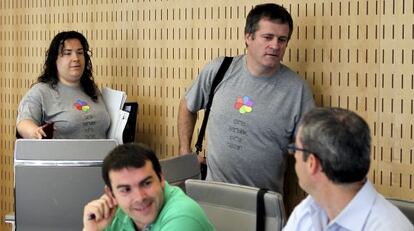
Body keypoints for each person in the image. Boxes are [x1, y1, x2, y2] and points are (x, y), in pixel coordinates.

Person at [178, 3, 314, 193]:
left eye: (282, 39)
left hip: (262, 203)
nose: (275, 45)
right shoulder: (219, 70)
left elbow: (309, 150)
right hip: (211, 195)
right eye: (268, 37)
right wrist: (186, 153)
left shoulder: (297, 90)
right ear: (248, 37)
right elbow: (187, 105)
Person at [284, 107, 413, 230]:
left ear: (312, 163)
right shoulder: (307, 210)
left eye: (295, 149)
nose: (294, 155)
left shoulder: (389, 227)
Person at [83, 143, 215, 231]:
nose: (139, 197)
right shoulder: (111, 213)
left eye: (146, 183)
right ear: (111, 194)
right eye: (126, 190)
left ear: (161, 178)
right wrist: (91, 229)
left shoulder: (183, 218)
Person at [16, 31, 110, 139]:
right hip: (60, 155)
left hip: (100, 155)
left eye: (80, 52)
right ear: (55, 59)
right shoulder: (41, 91)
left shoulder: (92, 89)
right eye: (67, 53)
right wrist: (35, 131)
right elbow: (23, 122)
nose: (76, 58)